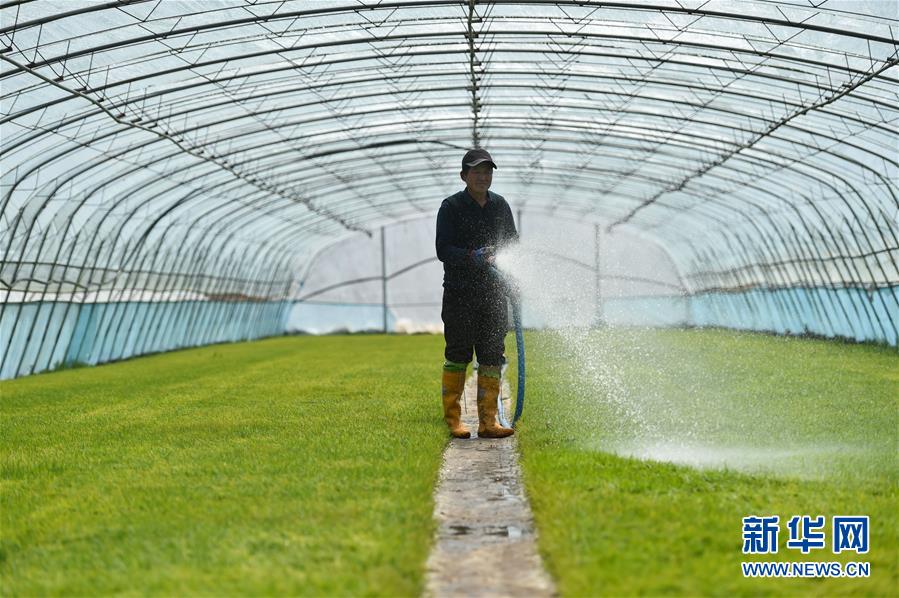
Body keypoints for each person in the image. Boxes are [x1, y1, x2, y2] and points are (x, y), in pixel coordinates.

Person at [435, 148, 518, 439]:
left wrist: (512, 278)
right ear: (464, 176)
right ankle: (454, 420)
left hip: (494, 294)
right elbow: (443, 250)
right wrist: (473, 256)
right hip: (460, 294)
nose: (483, 177)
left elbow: (512, 245)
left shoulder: (500, 206)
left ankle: (488, 422)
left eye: (487, 171)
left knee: (492, 355)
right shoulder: (451, 207)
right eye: (476, 172)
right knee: (458, 354)